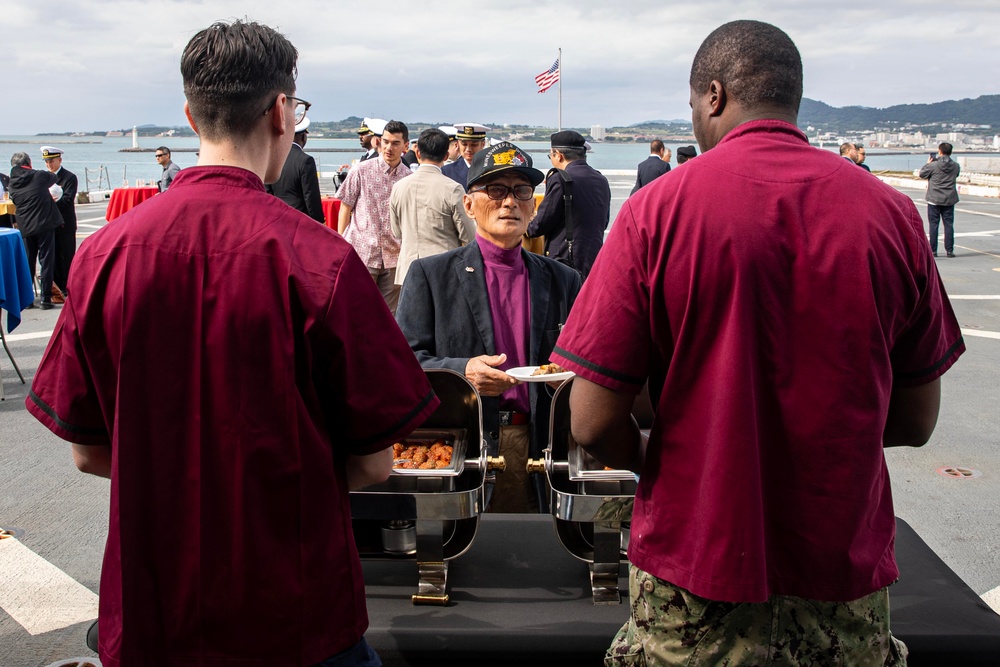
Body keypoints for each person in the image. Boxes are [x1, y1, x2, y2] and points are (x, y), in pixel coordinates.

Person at [550, 19, 964, 666]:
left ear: (713, 95)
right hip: (840, 574)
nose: (694, 123)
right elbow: (915, 420)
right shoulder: (890, 216)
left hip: (694, 569)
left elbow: (591, 416)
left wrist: (665, 457)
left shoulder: (658, 211)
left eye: (693, 107)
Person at [25, 20, 438, 667]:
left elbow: (86, 450)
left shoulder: (103, 255)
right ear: (281, 111)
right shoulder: (319, 261)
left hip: (153, 610)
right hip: (295, 610)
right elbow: (375, 463)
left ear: (191, 116)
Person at [396, 141, 580, 513]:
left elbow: (584, 359)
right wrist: (462, 370)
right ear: (468, 205)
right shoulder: (431, 276)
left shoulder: (564, 280)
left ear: (533, 205)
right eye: (495, 190)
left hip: (540, 445)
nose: (509, 201)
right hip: (465, 444)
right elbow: (402, 364)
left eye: (521, 191)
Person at [336, 119, 412, 313]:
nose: (389, 147)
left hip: (395, 255)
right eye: (385, 141)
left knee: (389, 315)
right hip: (362, 251)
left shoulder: (409, 178)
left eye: (395, 143)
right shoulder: (361, 170)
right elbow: (345, 208)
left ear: (405, 146)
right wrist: (341, 244)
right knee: (357, 310)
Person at [389, 127, 473, 286]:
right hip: (443, 269)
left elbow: (397, 231)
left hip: (409, 269)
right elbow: (468, 235)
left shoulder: (399, 187)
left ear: (418, 153)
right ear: (446, 155)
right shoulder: (453, 188)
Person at [526, 130, 611, 279]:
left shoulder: (561, 178)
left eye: (550, 156)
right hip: (594, 258)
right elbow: (603, 222)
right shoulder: (601, 179)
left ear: (559, 155)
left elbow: (540, 225)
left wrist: (524, 226)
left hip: (564, 261)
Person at [8, 152, 61, 310]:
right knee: (46, 261)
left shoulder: (12, 182)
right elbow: (54, 178)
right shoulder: (39, 176)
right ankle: (45, 299)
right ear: (29, 163)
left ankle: (28, 299)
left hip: (25, 225)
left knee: (28, 262)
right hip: (44, 223)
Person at [267, 116, 324, 222]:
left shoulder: (272, 158)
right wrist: (319, 222)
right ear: (303, 137)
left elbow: (267, 191)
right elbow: (311, 197)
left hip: (277, 219)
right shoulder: (306, 160)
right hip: (299, 221)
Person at [41, 146, 78, 302]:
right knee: (52, 258)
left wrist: (49, 206)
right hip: (49, 225)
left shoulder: (69, 177)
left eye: (51, 161)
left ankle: (69, 287)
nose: (49, 165)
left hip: (65, 224)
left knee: (67, 256)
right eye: (47, 161)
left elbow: (67, 200)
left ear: (59, 160)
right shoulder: (42, 178)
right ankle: (56, 289)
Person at [919, 142, 961, 257]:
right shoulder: (956, 165)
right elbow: (956, 175)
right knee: (948, 224)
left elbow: (922, 174)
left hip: (934, 198)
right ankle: (949, 250)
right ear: (950, 152)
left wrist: (927, 164)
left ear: (940, 151)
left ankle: (933, 250)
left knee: (933, 225)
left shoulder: (933, 165)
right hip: (949, 199)